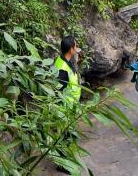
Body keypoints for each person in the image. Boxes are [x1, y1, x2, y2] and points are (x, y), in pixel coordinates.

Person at [51, 36, 81, 173]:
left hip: (70, 106)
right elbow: (59, 92)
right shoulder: (62, 69)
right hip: (65, 109)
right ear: (71, 49)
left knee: (66, 136)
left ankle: (63, 161)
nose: (77, 47)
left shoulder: (64, 60)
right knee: (64, 136)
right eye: (76, 45)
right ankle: (62, 164)